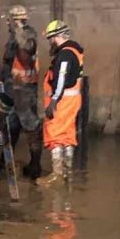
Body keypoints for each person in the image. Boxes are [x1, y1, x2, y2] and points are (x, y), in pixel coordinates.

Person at [38, 19, 85, 187]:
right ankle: (67, 173)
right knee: (67, 135)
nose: (50, 43)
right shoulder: (75, 51)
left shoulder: (65, 54)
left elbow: (61, 79)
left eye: (50, 39)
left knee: (55, 134)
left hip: (63, 101)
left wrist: (54, 101)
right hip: (72, 100)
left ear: (55, 37)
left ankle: (57, 175)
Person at [1, 4, 42, 179]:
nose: (8, 24)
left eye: (10, 20)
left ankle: (35, 165)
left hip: (24, 90)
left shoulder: (26, 34)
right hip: (13, 89)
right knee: (11, 126)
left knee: (30, 126)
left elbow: (28, 49)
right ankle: (5, 162)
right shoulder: (14, 36)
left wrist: (19, 31)